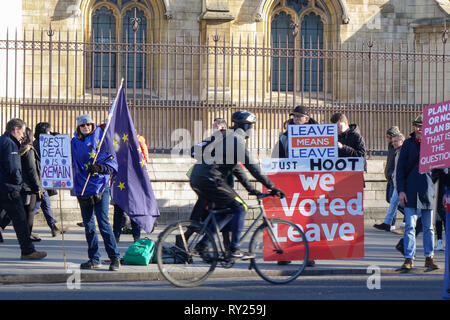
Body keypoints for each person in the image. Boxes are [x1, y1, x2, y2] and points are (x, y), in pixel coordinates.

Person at [190, 111, 285, 259]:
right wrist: (271, 186)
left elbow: (237, 170)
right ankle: (233, 249)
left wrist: (252, 189)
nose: (252, 130)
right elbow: (252, 167)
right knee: (241, 208)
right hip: (211, 178)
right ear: (247, 126)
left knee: (229, 210)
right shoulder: (237, 140)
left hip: (197, 176)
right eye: (252, 126)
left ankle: (203, 245)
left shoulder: (224, 135)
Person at [71, 114, 121, 271]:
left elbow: (112, 164)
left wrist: (99, 168)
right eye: (82, 125)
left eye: (88, 125)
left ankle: (114, 258)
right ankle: (94, 258)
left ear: (92, 126)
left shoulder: (102, 141)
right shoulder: (74, 143)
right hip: (82, 187)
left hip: (100, 186)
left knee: (103, 223)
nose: (86, 127)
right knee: (89, 226)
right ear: (78, 128)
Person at [271, 106, 317, 267]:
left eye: (299, 117)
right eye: (294, 117)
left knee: (307, 220)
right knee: (286, 219)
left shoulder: (320, 134)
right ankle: (284, 254)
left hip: (309, 183)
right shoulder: (285, 138)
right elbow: (275, 160)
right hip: (289, 182)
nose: (296, 119)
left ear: (307, 119)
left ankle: (307, 254)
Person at [396, 115, 439, 271]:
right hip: (410, 189)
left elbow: (441, 168)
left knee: (429, 227)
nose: (418, 129)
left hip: (429, 189)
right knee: (410, 227)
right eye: (416, 126)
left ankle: (429, 257)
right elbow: (400, 169)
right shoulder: (407, 144)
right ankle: (409, 258)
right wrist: (401, 190)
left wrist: (439, 191)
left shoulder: (434, 144)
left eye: (421, 126)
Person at [0, 118, 46, 260]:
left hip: (3, 186)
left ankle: (28, 250)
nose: (23, 135)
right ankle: (27, 251)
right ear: (15, 129)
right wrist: (19, 183)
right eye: (22, 132)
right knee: (20, 221)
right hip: (10, 188)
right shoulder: (10, 144)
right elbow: (13, 168)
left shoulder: (3, 141)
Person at [32, 122, 68, 237]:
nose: (50, 132)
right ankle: (22, 228)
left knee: (44, 203)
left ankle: (54, 227)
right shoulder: (39, 144)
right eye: (49, 131)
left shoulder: (39, 142)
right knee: (36, 205)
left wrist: (56, 137)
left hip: (44, 179)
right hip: (40, 180)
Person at [374, 132, 405, 232]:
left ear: (402, 141)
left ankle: (414, 222)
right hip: (397, 182)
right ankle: (387, 223)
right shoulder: (397, 152)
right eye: (393, 141)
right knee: (393, 202)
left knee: (399, 203)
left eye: (396, 141)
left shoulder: (404, 152)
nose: (393, 143)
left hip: (402, 184)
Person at [19, 127, 45, 242]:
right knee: (30, 211)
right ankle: (27, 235)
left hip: (22, 185)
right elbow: (32, 170)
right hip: (29, 186)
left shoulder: (20, 149)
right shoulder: (29, 150)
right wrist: (38, 187)